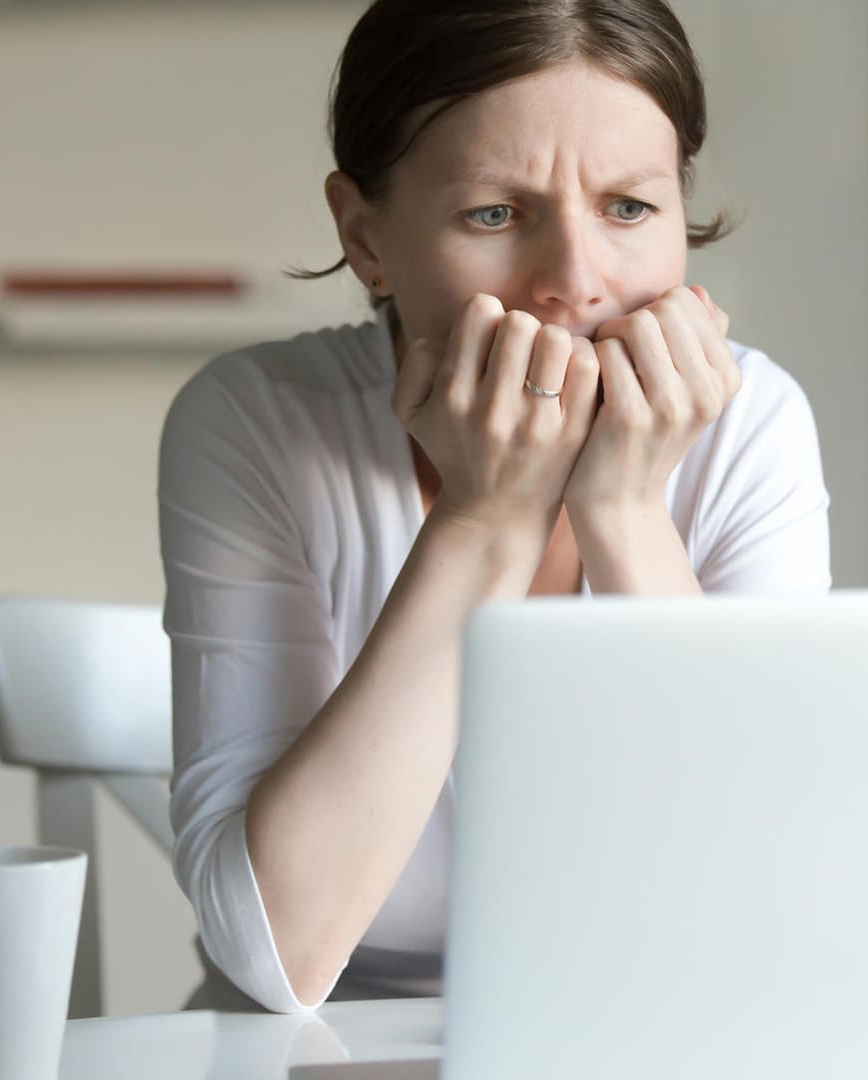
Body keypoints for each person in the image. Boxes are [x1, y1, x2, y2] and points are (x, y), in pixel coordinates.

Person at [158, 0, 832, 1014]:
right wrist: (484, 521)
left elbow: (769, 910)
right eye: (493, 213)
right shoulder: (255, 422)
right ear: (366, 237)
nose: (574, 282)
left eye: (629, 208)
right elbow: (277, 955)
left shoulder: (752, 423)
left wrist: (630, 514)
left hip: (646, 1033)